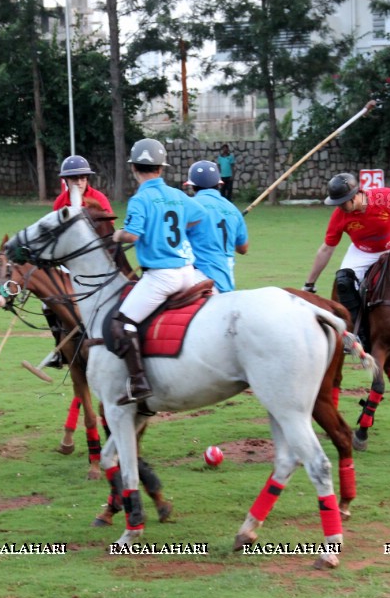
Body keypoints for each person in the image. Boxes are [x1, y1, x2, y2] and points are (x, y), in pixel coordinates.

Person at [301, 173, 390, 346]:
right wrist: (309, 284)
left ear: (355, 195)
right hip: (362, 251)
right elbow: (326, 249)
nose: (339, 207)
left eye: (342, 202)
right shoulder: (339, 216)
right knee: (343, 282)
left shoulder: (386, 197)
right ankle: (360, 334)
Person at [109, 138, 199, 404]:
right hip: (189, 272)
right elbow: (198, 216)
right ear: (161, 168)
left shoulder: (140, 199)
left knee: (121, 323)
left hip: (163, 277)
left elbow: (133, 236)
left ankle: (138, 382)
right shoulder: (177, 194)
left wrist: (117, 235)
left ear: (134, 168)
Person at [38, 155, 115, 370]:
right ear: (66, 181)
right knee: (47, 303)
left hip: (95, 263)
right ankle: (59, 350)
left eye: (82, 178)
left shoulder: (98, 198)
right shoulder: (60, 202)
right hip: (68, 262)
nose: (79, 182)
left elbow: (109, 232)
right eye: (74, 179)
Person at [184, 160, 249, 293]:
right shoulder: (232, 209)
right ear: (219, 184)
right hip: (227, 281)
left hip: (200, 279)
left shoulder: (189, 206)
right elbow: (243, 248)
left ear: (192, 186)